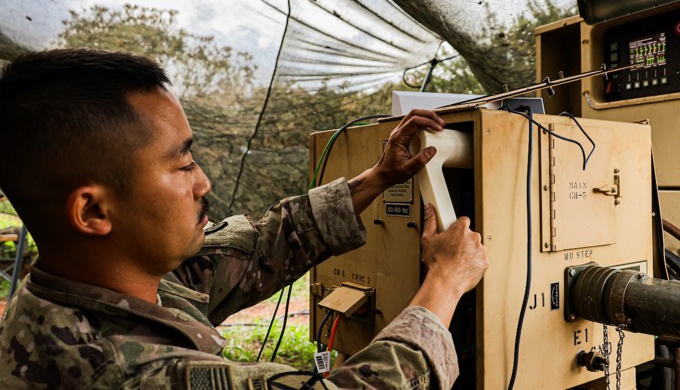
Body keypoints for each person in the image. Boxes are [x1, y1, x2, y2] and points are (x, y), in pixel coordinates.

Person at [0, 49, 488, 389]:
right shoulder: (123, 373)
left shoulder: (89, 285)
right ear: (94, 211)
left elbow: (252, 250)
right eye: (183, 163)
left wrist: (376, 179)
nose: (204, 183)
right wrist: (445, 282)